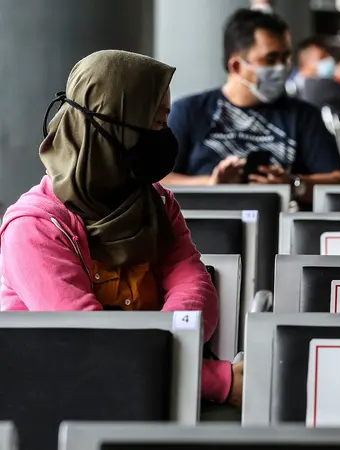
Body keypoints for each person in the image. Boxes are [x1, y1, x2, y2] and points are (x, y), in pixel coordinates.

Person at [0, 50, 242, 408]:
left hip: (148, 394)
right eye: (156, 124)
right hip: (58, 404)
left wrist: (166, 351)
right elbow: (90, 343)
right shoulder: (34, 229)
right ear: (111, 128)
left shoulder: (157, 203)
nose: (165, 136)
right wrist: (215, 379)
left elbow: (193, 284)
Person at [162, 10, 340, 203]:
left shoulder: (304, 116)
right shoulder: (190, 111)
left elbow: (339, 181)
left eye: (285, 58)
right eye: (270, 59)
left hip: (280, 226)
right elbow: (157, 179)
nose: (281, 67)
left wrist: (293, 185)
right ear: (236, 66)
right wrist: (211, 185)